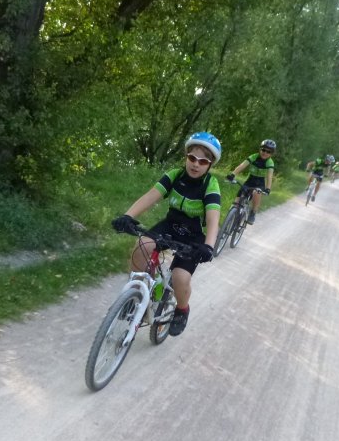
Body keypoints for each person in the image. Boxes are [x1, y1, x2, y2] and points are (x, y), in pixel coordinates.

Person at [111, 132, 222, 337]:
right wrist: (127, 216)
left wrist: (208, 246)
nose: (196, 164)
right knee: (142, 246)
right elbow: (150, 197)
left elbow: (213, 218)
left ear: (210, 165)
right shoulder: (174, 175)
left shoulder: (210, 185)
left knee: (180, 277)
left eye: (203, 161)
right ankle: (137, 294)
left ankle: (181, 309)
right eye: (192, 158)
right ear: (186, 156)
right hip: (170, 226)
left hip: (193, 237)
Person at [224, 139, 276, 225]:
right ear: (260, 149)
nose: (265, 153)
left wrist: (268, 188)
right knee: (236, 203)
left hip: (260, 183)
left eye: (268, 152)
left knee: (257, 192)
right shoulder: (254, 156)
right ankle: (227, 223)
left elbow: (269, 176)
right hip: (249, 181)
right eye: (263, 150)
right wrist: (232, 174)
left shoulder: (269, 162)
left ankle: (253, 212)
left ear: (271, 154)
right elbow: (242, 166)